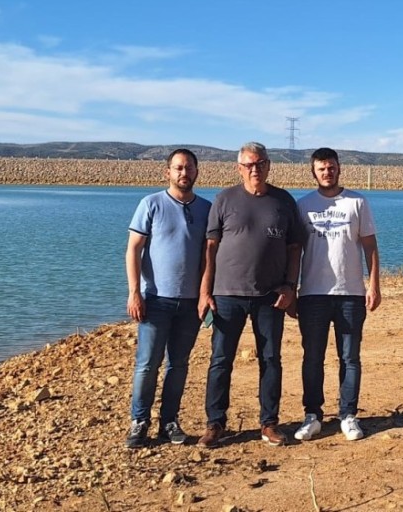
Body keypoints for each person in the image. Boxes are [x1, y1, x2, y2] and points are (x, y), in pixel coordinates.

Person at [197, 141, 305, 448]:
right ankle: (215, 424)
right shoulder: (224, 200)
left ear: (269, 165)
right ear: (239, 168)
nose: (254, 169)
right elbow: (210, 248)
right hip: (227, 294)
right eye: (248, 165)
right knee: (221, 360)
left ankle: (269, 423)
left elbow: (295, 247)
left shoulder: (283, 201)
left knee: (271, 359)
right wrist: (205, 291)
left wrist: (290, 286)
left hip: (270, 296)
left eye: (260, 164)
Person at [292, 147, 382, 442]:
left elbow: (370, 246)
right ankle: (312, 416)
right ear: (313, 172)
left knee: (350, 357)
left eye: (331, 167)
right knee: (312, 357)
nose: (326, 172)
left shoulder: (357, 202)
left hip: (350, 294)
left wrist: (374, 285)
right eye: (321, 168)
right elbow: (295, 251)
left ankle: (349, 415)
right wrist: (292, 289)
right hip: (312, 295)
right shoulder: (303, 205)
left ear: (339, 168)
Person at [124, 148, 212, 449]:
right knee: (147, 364)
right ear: (168, 172)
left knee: (179, 364)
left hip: (189, 303)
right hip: (156, 300)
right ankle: (139, 422)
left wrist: (205, 294)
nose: (183, 173)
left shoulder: (206, 209)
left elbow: (208, 257)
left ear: (197, 172)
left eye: (188, 168)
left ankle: (169, 421)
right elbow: (133, 249)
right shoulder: (151, 204)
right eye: (178, 168)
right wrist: (134, 292)